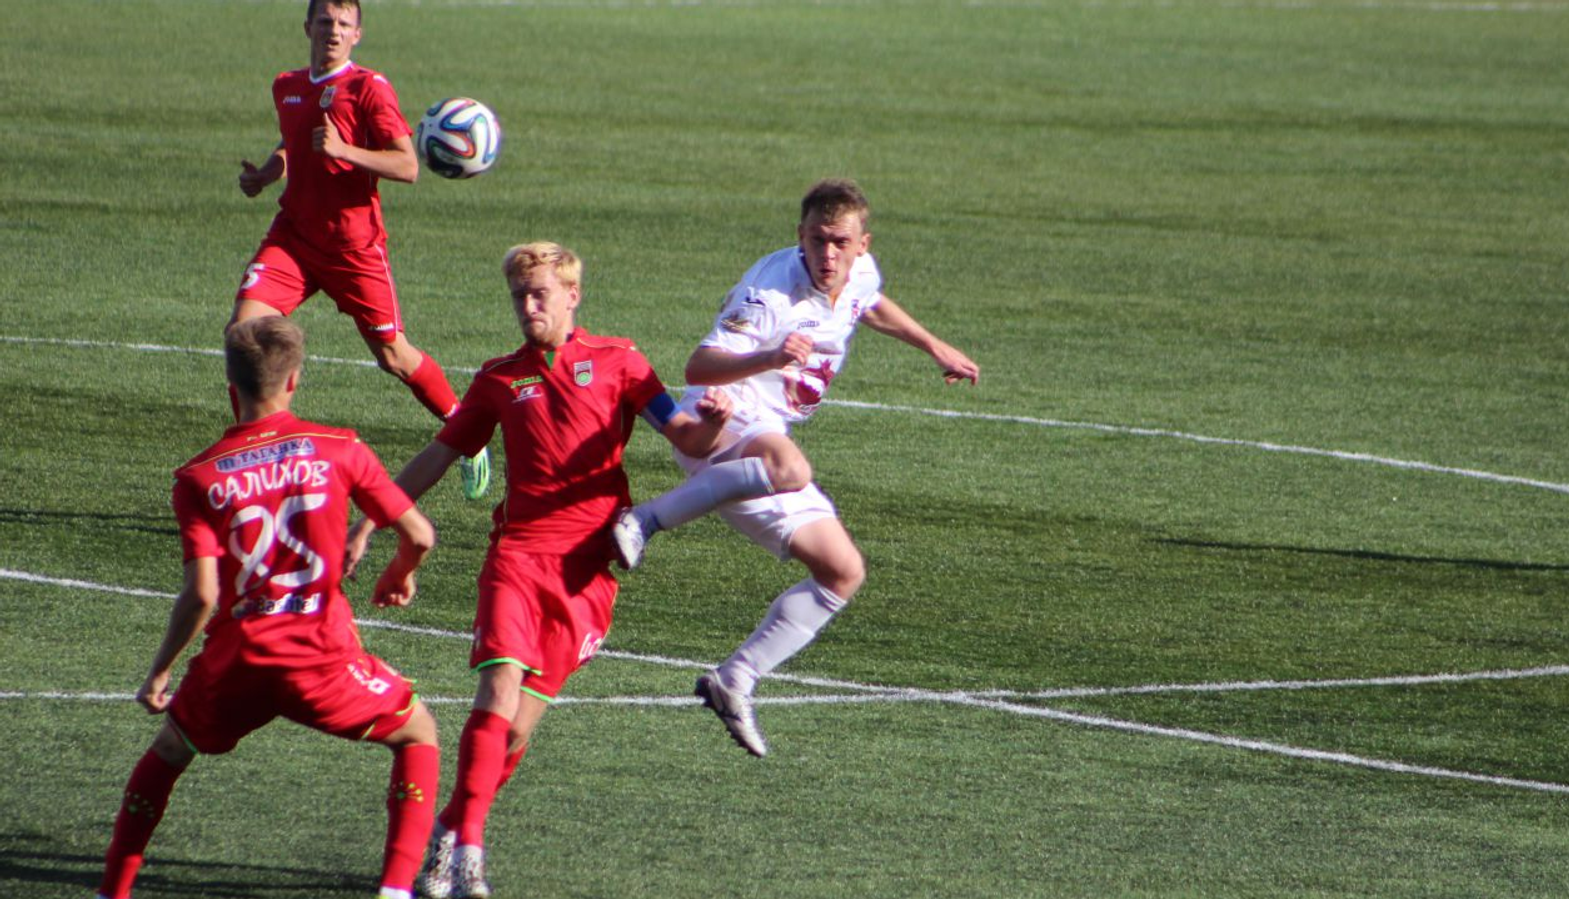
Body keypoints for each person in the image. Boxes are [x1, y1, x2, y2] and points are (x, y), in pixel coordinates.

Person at [344, 242, 768, 899]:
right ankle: (470, 853)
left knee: (516, 728)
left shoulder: (621, 360)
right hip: (516, 557)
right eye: (519, 296)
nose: (528, 306)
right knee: (496, 695)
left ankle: (450, 830)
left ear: (573, 295)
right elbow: (439, 453)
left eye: (539, 293)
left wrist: (712, 426)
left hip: (587, 573)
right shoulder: (498, 378)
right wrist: (373, 519)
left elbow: (685, 435)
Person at [611, 177, 981, 758]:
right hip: (722, 419)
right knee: (790, 467)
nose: (827, 255)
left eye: (840, 243)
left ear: (862, 244)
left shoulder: (859, 271)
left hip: (765, 437)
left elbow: (869, 302)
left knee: (842, 571)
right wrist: (771, 355)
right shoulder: (770, 293)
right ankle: (645, 520)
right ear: (800, 236)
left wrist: (934, 346)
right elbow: (699, 366)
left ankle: (735, 679)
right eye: (817, 240)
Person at [95, 317, 440, 899]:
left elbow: (202, 595)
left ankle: (113, 890)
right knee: (418, 732)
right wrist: (399, 572)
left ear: (231, 386)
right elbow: (420, 535)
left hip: (238, 661)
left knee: (169, 751)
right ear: (295, 379)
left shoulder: (198, 477)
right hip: (321, 659)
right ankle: (396, 889)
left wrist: (160, 671)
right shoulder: (340, 448)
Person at [231, 0, 491, 500]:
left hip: (354, 249)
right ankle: (255, 469)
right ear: (307, 27)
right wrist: (268, 172)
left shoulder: (369, 88)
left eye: (343, 24)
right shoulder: (286, 85)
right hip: (294, 238)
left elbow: (407, 166)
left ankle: (469, 434)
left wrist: (343, 151)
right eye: (325, 21)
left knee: (394, 356)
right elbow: (294, 141)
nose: (333, 31)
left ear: (357, 35)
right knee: (244, 337)